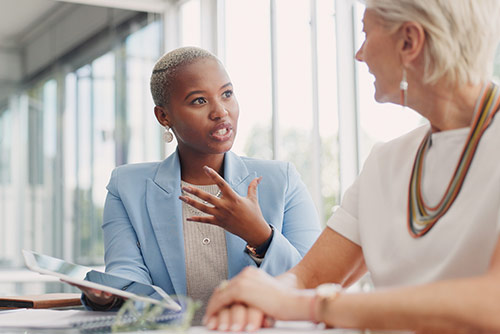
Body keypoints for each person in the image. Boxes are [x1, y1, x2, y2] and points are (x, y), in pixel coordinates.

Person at [203, 0, 500, 332]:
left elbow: (493, 301)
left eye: (366, 33)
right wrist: (256, 298)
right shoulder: (386, 162)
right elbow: (308, 278)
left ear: (408, 42)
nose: (360, 54)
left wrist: (310, 305)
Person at [78, 46, 321, 324]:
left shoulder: (282, 180)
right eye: (198, 101)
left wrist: (261, 237)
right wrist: (108, 295)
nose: (220, 112)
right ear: (164, 117)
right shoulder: (127, 187)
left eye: (227, 94)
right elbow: (127, 276)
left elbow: (315, 282)